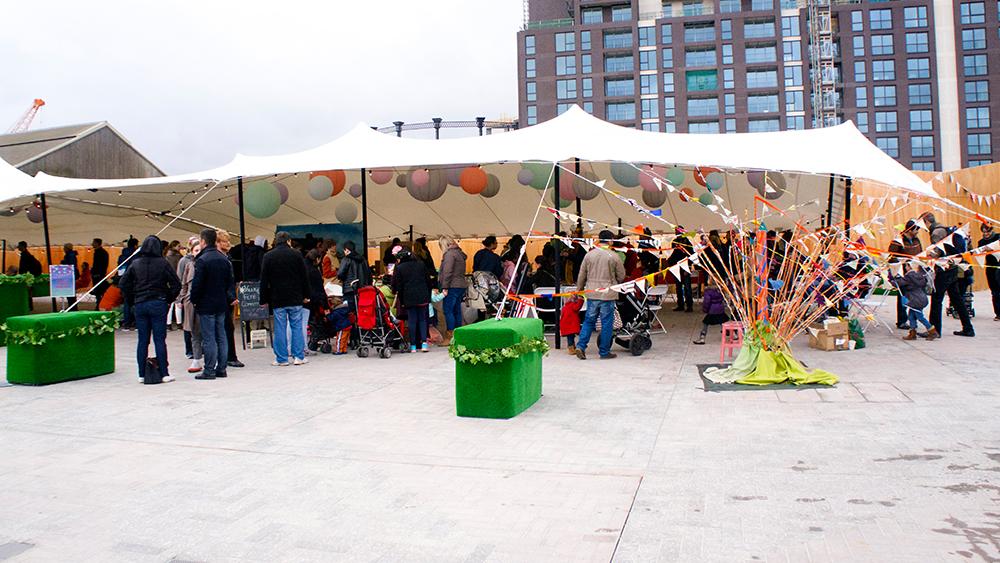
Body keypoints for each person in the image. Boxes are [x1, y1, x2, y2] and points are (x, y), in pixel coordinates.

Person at [120, 236, 181, 383]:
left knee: (143, 340)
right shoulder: (163, 263)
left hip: (140, 303)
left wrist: (131, 300)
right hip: (158, 303)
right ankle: (164, 373)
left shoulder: (135, 264)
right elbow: (176, 285)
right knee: (160, 340)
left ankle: (141, 374)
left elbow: (123, 284)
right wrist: (168, 299)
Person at [260, 231, 311, 366]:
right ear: (289, 241)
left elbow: (264, 280)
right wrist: (306, 295)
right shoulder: (296, 254)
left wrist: (263, 299)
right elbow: (304, 277)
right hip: (295, 297)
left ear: (276, 241)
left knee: (280, 328)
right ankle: (298, 357)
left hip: (278, 298)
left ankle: (281, 359)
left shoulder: (268, 256)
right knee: (297, 327)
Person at [191, 228, 235, 380]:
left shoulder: (202, 260)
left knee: (209, 337)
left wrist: (194, 300)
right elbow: (229, 283)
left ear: (203, 241)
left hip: (206, 304)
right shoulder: (224, 259)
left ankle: (209, 369)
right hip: (221, 303)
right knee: (221, 336)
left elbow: (197, 284)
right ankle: (221, 368)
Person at [575, 230, 626, 360]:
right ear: (610, 240)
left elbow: (582, 275)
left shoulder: (589, 255)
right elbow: (621, 276)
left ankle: (581, 346)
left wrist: (579, 290)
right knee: (607, 323)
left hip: (592, 293)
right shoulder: (614, 256)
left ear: (599, 239)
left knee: (588, 321)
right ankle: (604, 352)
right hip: (608, 294)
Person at [924, 213, 975, 337]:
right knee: (957, 299)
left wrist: (928, 255)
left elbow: (938, 251)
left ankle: (935, 330)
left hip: (944, 269)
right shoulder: (944, 229)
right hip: (953, 268)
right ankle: (968, 328)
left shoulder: (936, 233)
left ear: (926, 222)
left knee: (937, 299)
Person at [392, 249, 433, 352]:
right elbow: (428, 281)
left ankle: (413, 346)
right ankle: (424, 344)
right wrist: (428, 296)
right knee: (423, 320)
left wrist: (401, 300)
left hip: (408, 298)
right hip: (423, 296)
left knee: (412, 321)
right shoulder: (421, 264)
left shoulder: (400, 268)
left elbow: (399, 286)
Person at [888, 221, 924, 329]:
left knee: (915, 297)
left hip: (914, 273)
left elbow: (920, 254)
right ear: (909, 230)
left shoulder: (917, 241)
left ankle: (914, 320)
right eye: (916, 230)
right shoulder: (898, 241)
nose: (917, 232)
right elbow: (891, 257)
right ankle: (902, 321)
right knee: (902, 296)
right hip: (902, 273)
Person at [217, 231, 245, 368]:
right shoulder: (221, 259)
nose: (228, 243)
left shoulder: (227, 257)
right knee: (225, 327)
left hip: (225, 297)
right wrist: (231, 296)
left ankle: (227, 356)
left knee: (227, 327)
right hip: (223, 299)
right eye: (224, 241)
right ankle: (228, 357)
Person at [177, 238, 204, 374]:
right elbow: (183, 283)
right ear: (191, 251)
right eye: (196, 250)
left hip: (205, 302)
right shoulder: (187, 264)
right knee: (194, 332)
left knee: (208, 332)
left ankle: (212, 359)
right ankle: (196, 358)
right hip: (190, 303)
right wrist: (181, 299)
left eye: (200, 250)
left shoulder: (206, 264)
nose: (198, 253)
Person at [892, 262, 938, 341]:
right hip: (921, 298)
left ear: (909, 267)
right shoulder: (919, 275)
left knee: (920, 316)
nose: (905, 267)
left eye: (906, 265)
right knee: (911, 316)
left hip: (914, 299)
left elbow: (899, 283)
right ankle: (912, 333)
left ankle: (932, 331)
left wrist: (894, 278)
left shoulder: (909, 276)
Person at [437, 235, 468, 346]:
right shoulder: (459, 254)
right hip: (460, 285)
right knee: (457, 310)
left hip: (452, 285)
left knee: (448, 310)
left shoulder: (449, 254)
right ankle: (458, 336)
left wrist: (444, 287)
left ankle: (450, 336)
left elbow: (447, 272)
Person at [176, 236, 200, 359]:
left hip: (198, 299)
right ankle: (189, 350)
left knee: (197, 326)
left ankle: (198, 350)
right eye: (196, 250)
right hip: (187, 298)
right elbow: (181, 280)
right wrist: (180, 298)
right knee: (188, 325)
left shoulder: (202, 261)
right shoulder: (184, 262)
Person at [338, 240, 371, 310]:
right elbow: (369, 274)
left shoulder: (346, 259)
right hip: (363, 289)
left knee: (350, 313)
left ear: (346, 250)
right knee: (361, 311)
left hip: (349, 289)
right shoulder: (363, 260)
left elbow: (340, 274)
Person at [693, 278, 728, 345]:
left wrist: (705, 309)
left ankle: (702, 338)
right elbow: (724, 298)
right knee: (722, 322)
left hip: (712, 311)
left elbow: (707, 302)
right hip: (720, 309)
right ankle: (733, 334)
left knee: (705, 323)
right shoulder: (721, 290)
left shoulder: (708, 291)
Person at [666, 227, 693, 312]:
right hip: (676, 267)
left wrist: (688, 267)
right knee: (678, 286)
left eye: (677, 231)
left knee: (687, 287)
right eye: (675, 231)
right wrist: (670, 262)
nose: (676, 233)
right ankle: (680, 304)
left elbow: (690, 255)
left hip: (685, 267)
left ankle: (689, 305)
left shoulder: (687, 242)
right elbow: (674, 254)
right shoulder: (674, 241)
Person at [117, 237, 139, 329]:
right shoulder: (136, 255)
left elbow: (119, 269)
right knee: (136, 303)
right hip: (134, 282)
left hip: (124, 281)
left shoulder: (122, 256)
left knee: (126, 303)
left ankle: (126, 323)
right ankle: (136, 323)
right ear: (135, 245)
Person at [980, 222, 1000, 321]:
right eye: (984, 232)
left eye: (988, 232)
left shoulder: (998, 237)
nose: (986, 234)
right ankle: (998, 313)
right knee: (994, 291)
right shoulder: (981, 242)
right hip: (990, 267)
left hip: (998, 266)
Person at [164, 241, 183, 330]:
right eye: (179, 246)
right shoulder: (179, 257)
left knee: (170, 303)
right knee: (178, 302)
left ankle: (168, 323)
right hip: (177, 280)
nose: (180, 247)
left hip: (167, 281)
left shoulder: (165, 256)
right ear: (175, 246)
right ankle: (179, 323)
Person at [91, 238, 110, 305]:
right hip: (98, 274)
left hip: (98, 275)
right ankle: (99, 304)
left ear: (97, 243)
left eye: (93, 242)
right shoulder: (100, 252)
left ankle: (100, 304)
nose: (92, 244)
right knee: (98, 291)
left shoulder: (100, 253)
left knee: (99, 291)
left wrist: (97, 273)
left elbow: (101, 264)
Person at [61, 243, 80, 308]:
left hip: (69, 275)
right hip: (71, 275)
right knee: (71, 292)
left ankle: (72, 306)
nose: (63, 249)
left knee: (70, 292)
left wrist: (63, 263)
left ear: (67, 248)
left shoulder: (70, 255)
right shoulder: (71, 255)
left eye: (64, 248)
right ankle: (72, 306)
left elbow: (71, 265)